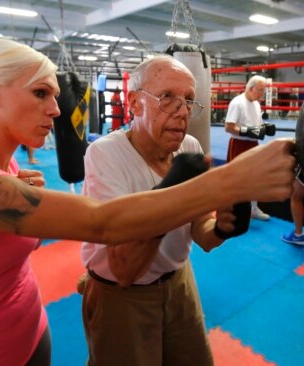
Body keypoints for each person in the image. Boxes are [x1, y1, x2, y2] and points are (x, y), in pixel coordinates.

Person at [0, 38, 295, 366]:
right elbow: (103, 226)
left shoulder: (2, 172)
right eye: (41, 93)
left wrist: (226, 226)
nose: (57, 109)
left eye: (56, 95)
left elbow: (201, 235)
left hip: (31, 334)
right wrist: (230, 180)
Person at [81, 55, 252, 366]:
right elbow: (124, 268)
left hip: (178, 282)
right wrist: (170, 191)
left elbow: (201, 230)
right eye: (167, 97)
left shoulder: (189, 148)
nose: (183, 111)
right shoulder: (105, 154)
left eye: (188, 100)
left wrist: (223, 229)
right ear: (134, 103)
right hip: (122, 294)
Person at [224, 75, 276, 221]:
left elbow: (257, 126)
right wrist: (245, 131)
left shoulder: (257, 104)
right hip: (238, 144)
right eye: (259, 90)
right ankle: (231, 208)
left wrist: (264, 128)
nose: (261, 94)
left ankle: (253, 208)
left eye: (263, 91)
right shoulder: (237, 103)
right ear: (250, 88)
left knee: (255, 176)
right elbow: (228, 127)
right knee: (235, 177)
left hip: (252, 144)